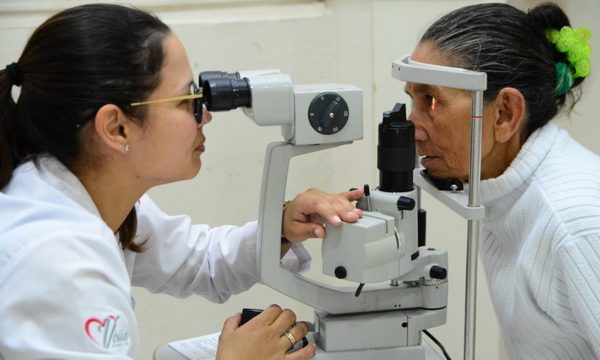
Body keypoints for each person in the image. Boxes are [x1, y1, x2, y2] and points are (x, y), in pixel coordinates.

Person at [0, 3, 364, 359]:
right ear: (116, 127)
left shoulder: (86, 194)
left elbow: (200, 262)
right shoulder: (56, 262)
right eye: (187, 99)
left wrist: (281, 228)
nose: (205, 115)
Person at [403, 2, 599, 359]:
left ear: (505, 114)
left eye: (431, 101)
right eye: (412, 99)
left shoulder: (574, 224)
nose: (410, 128)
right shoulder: (500, 189)